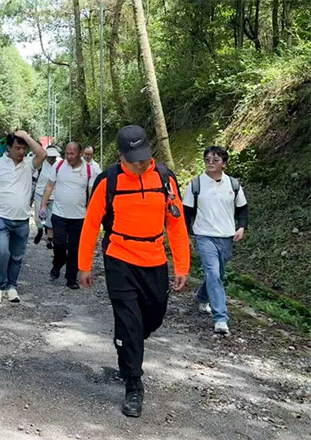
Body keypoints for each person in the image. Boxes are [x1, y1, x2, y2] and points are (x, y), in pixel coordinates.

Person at [78, 125, 189, 418]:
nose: (141, 164)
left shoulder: (164, 178)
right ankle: (133, 383)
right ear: (120, 156)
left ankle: (129, 340)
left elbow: (176, 223)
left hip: (154, 259)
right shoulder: (108, 181)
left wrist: (182, 264)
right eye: (134, 159)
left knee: (153, 316)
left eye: (144, 157)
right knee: (129, 324)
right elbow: (91, 225)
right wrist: (84, 265)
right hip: (120, 259)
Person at [183, 146, 248, 335]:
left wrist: (241, 227)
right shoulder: (196, 185)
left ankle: (202, 296)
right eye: (207, 159)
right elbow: (186, 213)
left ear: (224, 164)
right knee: (212, 272)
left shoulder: (233, 185)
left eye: (215, 160)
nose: (210, 163)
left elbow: (242, 209)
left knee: (218, 273)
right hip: (204, 235)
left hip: (226, 236)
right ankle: (221, 318)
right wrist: (185, 235)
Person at [0, 131, 46, 304]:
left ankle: (11, 286)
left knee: (17, 256)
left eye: (24, 148)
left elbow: (42, 153)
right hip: (1, 217)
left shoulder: (29, 164)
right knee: (2, 252)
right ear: (9, 147)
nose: (21, 152)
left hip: (22, 219)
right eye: (17, 147)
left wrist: (27, 137)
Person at [40, 142, 96, 290]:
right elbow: (50, 186)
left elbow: (91, 193)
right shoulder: (58, 167)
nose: (69, 156)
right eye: (67, 153)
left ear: (80, 153)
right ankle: (57, 264)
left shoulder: (89, 170)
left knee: (75, 248)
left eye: (72, 154)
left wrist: (91, 212)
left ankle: (71, 278)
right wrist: (43, 205)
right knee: (59, 244)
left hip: (79, 217)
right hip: (59, 214)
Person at [32, 146, 62, 246]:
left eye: (54, 157)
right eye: (50, 156)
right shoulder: (41, 164)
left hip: (53, 195)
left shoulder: (59, 165)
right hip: (40, 193)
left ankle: (50, 239)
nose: (52, 158)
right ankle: (40, 229)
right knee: (38, 217)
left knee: (50, 218)